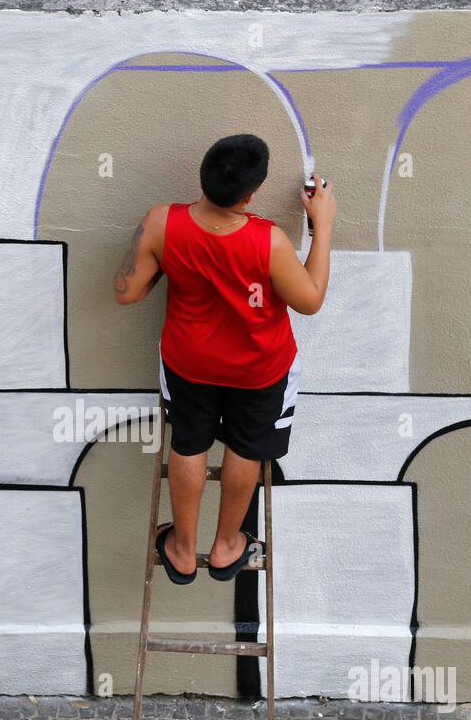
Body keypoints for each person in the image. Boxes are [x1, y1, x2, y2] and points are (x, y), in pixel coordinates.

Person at [112, 134, 337, 584]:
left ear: (203, 174)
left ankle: (180, 549)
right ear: (251, 194)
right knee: (245, 449)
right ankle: (226, 545)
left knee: (189, 444)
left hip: (189, 363)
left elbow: (126, 292)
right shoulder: (268, 241)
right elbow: (310, 301)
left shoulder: (160, 222)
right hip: (258, 368)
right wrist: (323, 225)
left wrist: (171, 262)